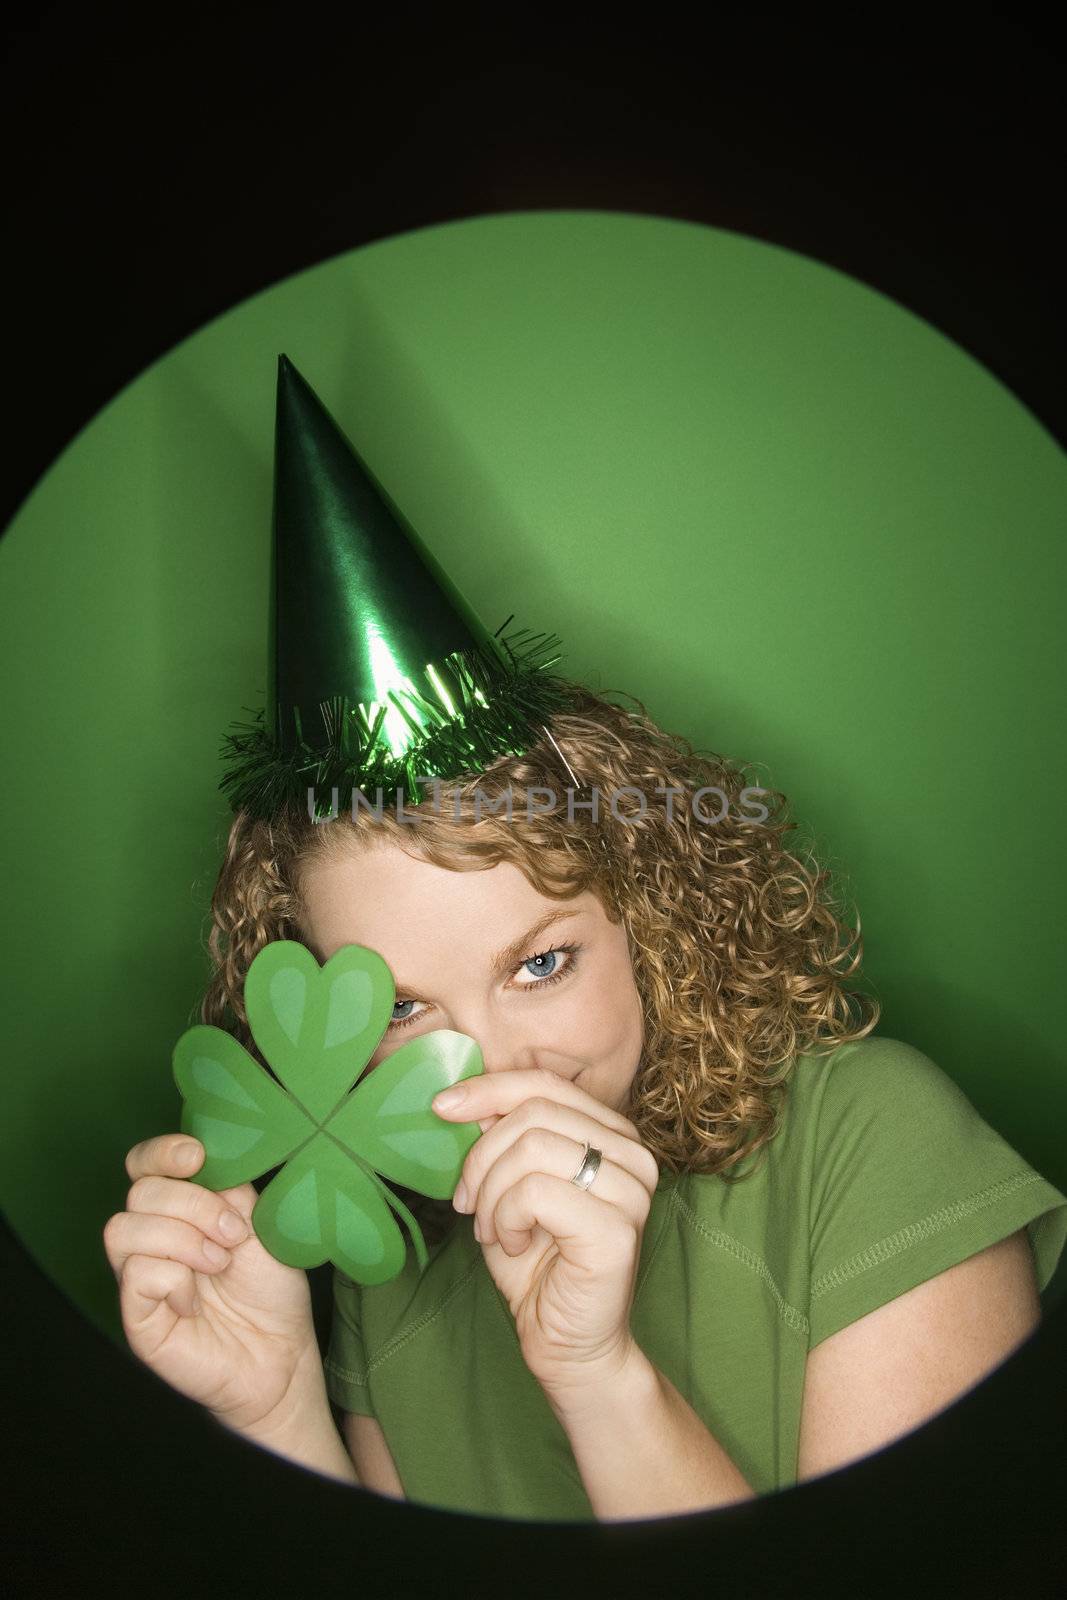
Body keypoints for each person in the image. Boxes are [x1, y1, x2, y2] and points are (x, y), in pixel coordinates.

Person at [102, 357, 1067, 1522]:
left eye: (539, 963)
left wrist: (597, 1377)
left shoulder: (870, 1144)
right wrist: (279, 1411)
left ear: (649, 911)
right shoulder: (386, 1260)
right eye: (401, 1009)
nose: (497, 1077)